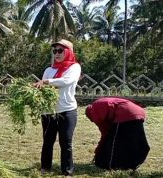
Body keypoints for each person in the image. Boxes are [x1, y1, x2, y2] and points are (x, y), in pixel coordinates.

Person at [33, 39, 81, 176]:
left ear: (68, 52)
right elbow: (43, 88)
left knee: (66, 141)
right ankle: (45, 168)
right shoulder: (49, 70)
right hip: (49, 111)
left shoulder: (74, 67)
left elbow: (66, 81)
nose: (57, 54)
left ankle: (67, 171)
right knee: (48, 140)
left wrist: (47, 81)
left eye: (60, 50)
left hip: (67, 109)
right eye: (55, 51)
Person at [85, 97, 150, 170]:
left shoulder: (94, 112)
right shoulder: (101, 102)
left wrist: (98, 151)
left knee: (114, 143)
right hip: (139, 111)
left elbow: (105, 133)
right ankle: (131, 165)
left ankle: (110, 165)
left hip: (124, 113)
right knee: (132, 141)